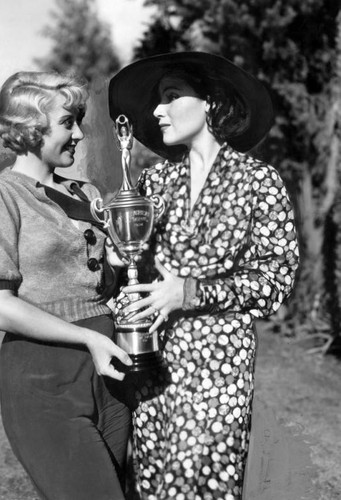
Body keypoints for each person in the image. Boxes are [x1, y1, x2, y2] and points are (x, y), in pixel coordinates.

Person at [108, 52, 300, 499]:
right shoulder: (152, 184)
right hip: (152, 361)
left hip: (220, 364)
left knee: (203, 483)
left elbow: (275, 279)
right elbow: (136, 274)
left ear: (211, 102)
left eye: (172, 96)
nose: (158, 109)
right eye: (158, 99)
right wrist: (122, 280)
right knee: (153, 484)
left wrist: (189, 292)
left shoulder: (260, 183)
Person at [0, 71, 133, 500]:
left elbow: (98, 286)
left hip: (110, 374)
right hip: (43, 376)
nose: (78, 133)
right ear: (31, 127)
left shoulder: (87, 192)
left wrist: (119, 267)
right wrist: (86, 339)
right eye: (67, 122)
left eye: (78, 120)